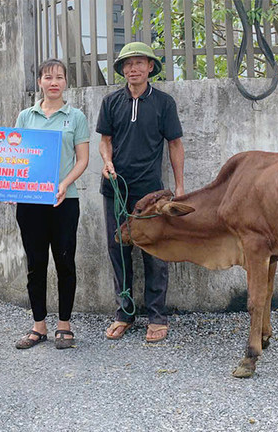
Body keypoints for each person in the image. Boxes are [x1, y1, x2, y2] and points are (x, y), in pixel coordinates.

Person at [98, 42, 184, 345]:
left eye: (139, 63)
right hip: (116, 188)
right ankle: (125, 313)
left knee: (155, 250)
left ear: (150, 68)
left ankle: (157, 315)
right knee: (117, 248)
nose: (133, 69)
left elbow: (175, 144)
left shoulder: (164, 103)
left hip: (151, 192)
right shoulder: (110, 102)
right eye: (127, 64)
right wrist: (107, 161)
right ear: (122, 70)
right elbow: (105, 140)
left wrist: (180, 186)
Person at [13, 58, 90, 351]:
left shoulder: (76, 117)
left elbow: (82, 160)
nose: (53, 82)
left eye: (59, 77)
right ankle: (38, 326)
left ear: (66, 82)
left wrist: (64, 183)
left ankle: (65, 326)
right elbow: (16, 158)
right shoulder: (25, 116)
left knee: (65, 261)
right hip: (30, 202)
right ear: (40, 82)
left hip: (64, 201)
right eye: (48, 77)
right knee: (35, 264)